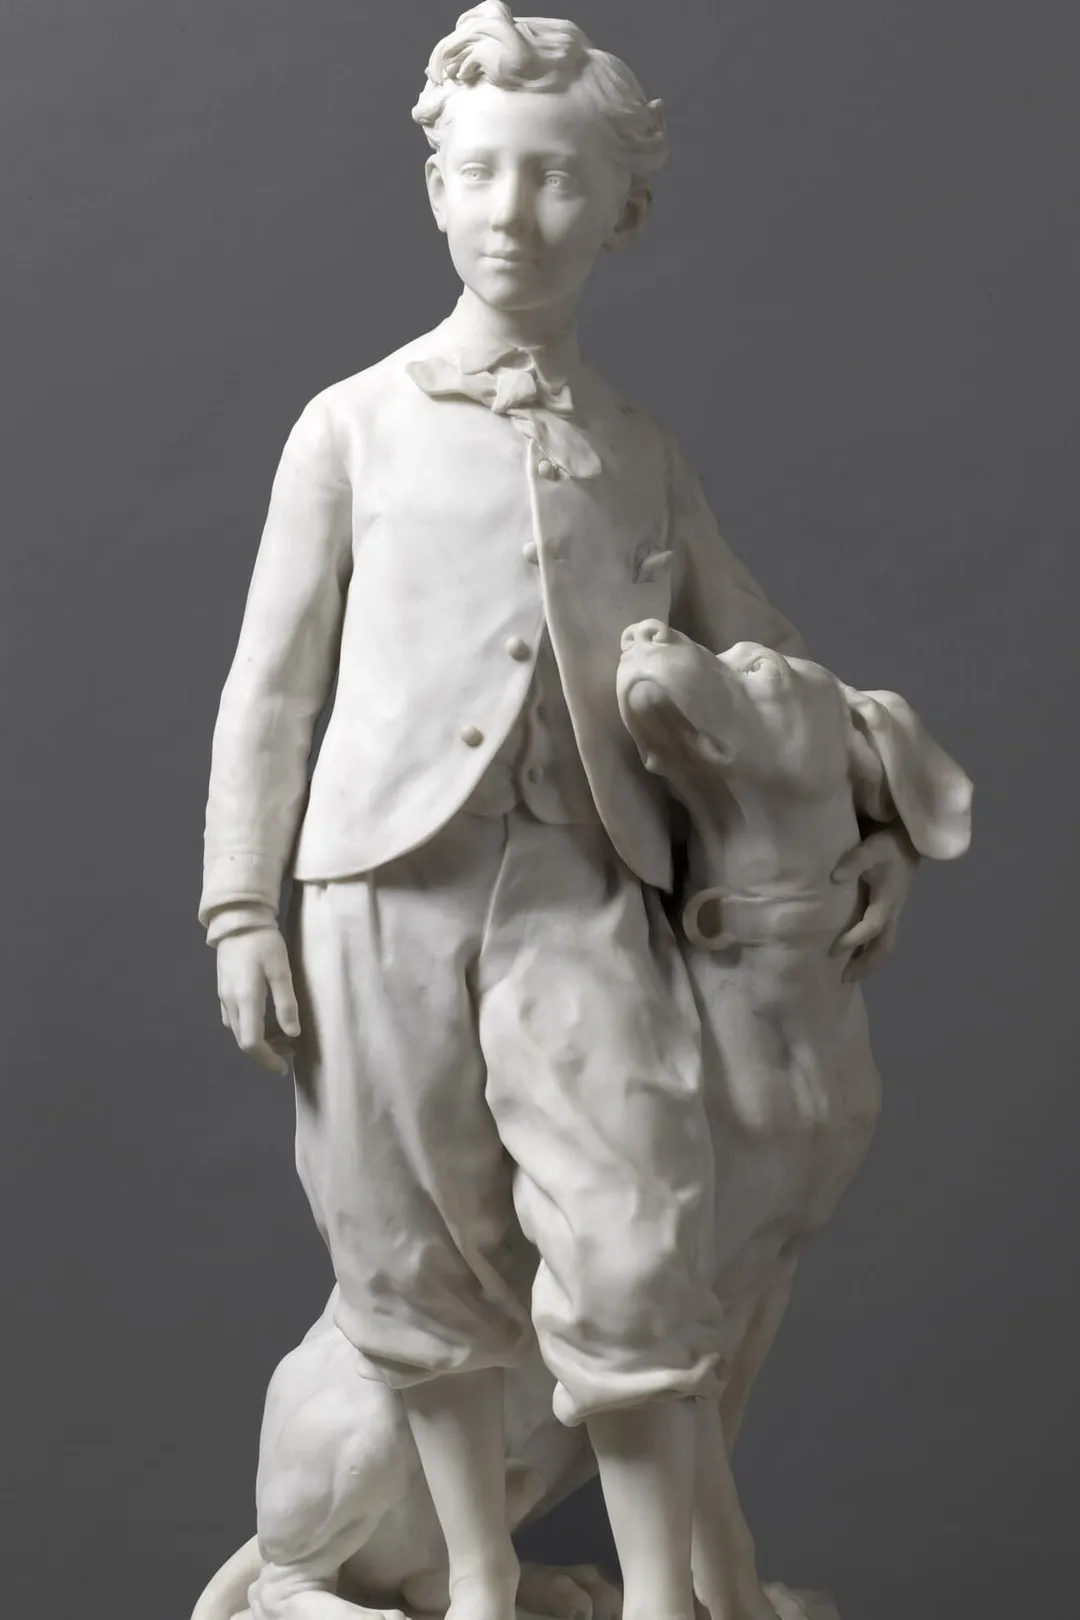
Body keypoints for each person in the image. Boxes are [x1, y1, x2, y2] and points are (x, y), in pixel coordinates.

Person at [200, 7, 916, 1620]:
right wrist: (241, 906)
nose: (514, 214)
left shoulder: (639, 453)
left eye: (557, 180)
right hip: (378, 890)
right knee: (412, 1243)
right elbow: (271, 686)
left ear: (624, 209)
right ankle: (476, 1584)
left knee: (636, 1225)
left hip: (587, 887)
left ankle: (666, 1599)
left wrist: (874, 822)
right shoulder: (351, 425)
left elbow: (771, 658)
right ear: (434, 190)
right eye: (482, 174)